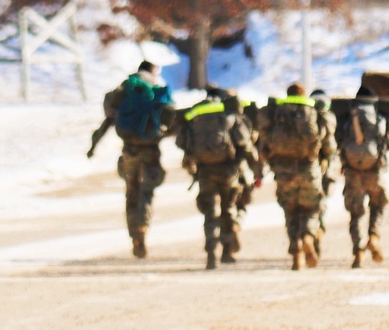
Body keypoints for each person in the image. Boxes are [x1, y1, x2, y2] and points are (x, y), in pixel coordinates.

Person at [88, 61, 174, 259]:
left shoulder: (125, 90)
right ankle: (144, 225)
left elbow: (108, 120)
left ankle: (134, 233)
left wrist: (93, 147)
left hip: (129, 152)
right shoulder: (155, 89)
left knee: (132, 191)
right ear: (152, 70)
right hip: (151, 150)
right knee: (147, 191)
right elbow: (171, 117)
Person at [175, 88, 263, 269]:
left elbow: (182, 143)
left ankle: (210, 253)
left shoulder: (197, 118)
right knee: (228, 209)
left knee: (210, 213)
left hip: (205, 172)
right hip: (229, 172)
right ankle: (227, 251)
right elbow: (246, 146)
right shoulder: (230, 118)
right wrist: (257, 169)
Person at [257, 83, 337, 270]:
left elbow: (265, 141)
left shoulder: (277, 112)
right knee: (312, 208)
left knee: (290, 209)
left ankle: (296, 251)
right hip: (308, 169)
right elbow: (328, 146)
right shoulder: (312, 111)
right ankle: (308, 236)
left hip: (282, 170)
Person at [338, 85, 389, 268]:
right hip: (375, 172)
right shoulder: (380, 118)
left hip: (352, 173)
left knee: (356, 213)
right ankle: (374, 237)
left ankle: (358, 251)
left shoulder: (348, 118)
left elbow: (338, 140)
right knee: (378, 206)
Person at [310, 88, 338, 259]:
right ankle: (317, 234)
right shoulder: (328, 119)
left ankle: (306, 237)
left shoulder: (304, 118)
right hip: (323, 170)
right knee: (319, 205)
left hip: (305, 168)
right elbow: (330, 147)